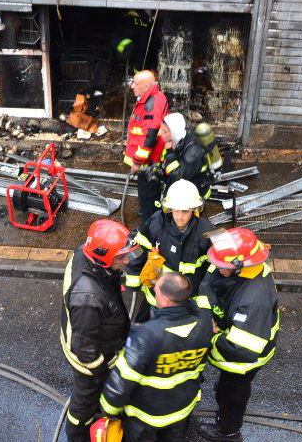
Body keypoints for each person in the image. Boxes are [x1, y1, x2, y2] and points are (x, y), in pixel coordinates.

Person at [99, 272, 213, 441]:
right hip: (181, 411)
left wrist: (107, 409)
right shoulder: (204, 325)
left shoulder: (146, 335)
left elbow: (123, 379)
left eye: (157, 291)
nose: (154, 293)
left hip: (145, 418)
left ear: (165, 299)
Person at [61, 219, 144, 442]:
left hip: (88, 339)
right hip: (88, 362)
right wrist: (101, 372)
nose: (126, 261)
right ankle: (77, 434)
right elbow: (85, 349)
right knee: (83, 404)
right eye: (121, 257)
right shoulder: (88, 298)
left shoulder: (84, 254)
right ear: (102, 257)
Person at [195, 228, 280, 442]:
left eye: (223, 266)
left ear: (240, 267)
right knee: (225, 388)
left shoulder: (254, 298)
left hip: (246, 356)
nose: (217, 267)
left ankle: (228, 432)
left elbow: (241, 349)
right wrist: (206, 317)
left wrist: (207, 340)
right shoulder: (232, 264)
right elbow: (208, 284)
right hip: (233, 332)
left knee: (233, 392)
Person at [125, 179, 216, 323]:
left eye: (185, 211)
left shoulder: (206, 232)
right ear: (169, 208)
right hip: (156, 295)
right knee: (143, 327)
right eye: (176, 210)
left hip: (187, 300)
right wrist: (134, 281)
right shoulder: (156, 222)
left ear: (194, 209)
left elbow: (214, 270)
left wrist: (206, 304)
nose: (180, 216)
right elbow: (137, 248)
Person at [124, 70, 169, 224]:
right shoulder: (150, 98)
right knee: (148, 198)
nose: (132, 86)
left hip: (147, 163)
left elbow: (149, 137)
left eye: (136, 84)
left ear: (146, 86)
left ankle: (148, 231)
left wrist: (136, 161)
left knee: (148, 198)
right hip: (148, 161)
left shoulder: (152, 104)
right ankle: (150, 218)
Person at [158, 112, 222, 202]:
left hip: (194, 196)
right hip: (181, 190)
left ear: (174, 132)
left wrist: (169, 152)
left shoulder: (193, 151)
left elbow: (179, 176)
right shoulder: (175, 141)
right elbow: (167, 165)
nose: (160, 133)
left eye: (165, 131)